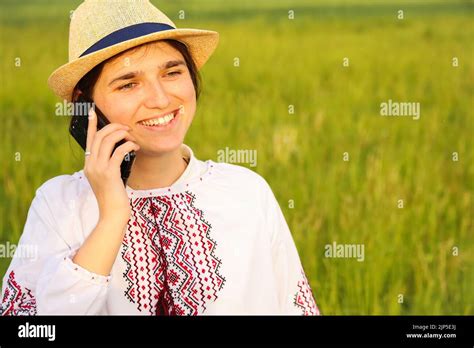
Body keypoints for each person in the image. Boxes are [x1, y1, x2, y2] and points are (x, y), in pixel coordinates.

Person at [0, 0, 320, 315]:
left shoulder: (248, 192)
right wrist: (112, 216)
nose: (160, 99)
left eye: (172, 73)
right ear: (87, 107)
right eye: (128, 84)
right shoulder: (59, 206)